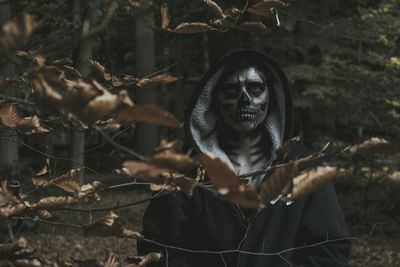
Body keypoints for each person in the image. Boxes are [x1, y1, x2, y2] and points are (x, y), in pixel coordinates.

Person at [138, 50, 351, 266]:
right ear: (212, 98)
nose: (244, 100)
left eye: (255, 88)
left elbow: (329, 249)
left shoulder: (304, 166)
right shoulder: (182, 168)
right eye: (230, 90)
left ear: (272, 96)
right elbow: (159, 249)